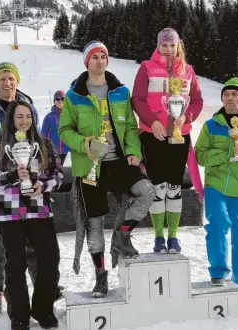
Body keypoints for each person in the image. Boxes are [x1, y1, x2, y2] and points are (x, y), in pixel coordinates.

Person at [58, 40, 155, 298]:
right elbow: (64, 131)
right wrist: (84, 142)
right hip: (90, 166)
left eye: (103, 56)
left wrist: (134, 151)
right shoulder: (74, 96)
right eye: (94, 57)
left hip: (119, 162)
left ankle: (123, 236)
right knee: (95, 224)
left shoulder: (120, 92)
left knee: (146, 191)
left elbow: (132, 129)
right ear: (86, 62)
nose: (100, 61)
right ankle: (101, 276)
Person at [0, 62, 63, 316]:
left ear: (17, 81)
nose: (7, 83)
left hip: (27, 188)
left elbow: (35, 144)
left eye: (11, 78)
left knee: (30, 242)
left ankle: (41, 286)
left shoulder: (27, 107)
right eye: (3, 79)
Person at [0, 100, 62, 330]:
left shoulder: (43, 144)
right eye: (19, 117)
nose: (24, 121)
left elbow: (56, 174)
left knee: (50, 260)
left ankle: (43, 309)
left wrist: (42, 185)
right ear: (11, 120)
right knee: (15, 266)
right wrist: (10, 176)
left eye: (28, 116)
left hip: (38, 211)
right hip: (8, 213)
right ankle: (20, 317)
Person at [194, 77, 238, 305]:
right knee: (217, 225)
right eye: (226, 94)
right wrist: (225, 154)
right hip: (215, 186)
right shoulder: (211, 125)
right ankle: (218, 272)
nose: (230, 98)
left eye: (235, 94)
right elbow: (200, 155)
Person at [132, 27, 204, 254]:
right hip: (154, 135)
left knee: (174, 187)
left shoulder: (188, 70)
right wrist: (152, 122)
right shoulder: (146, 68)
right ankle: (158, 237)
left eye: (173, 45)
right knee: (157, 187)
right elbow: (137, 99)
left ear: (179, 46)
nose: (169, 50)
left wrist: (187, 116)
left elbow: (198, 100)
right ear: (158, 46)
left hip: (178, 136)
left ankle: (173, 236)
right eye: (164, 45)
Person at [41, 90, 69, 164]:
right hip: (54, 152)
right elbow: (43, 135)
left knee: (68, 173)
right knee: (56, 173)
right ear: (54, 101)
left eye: (62, 98)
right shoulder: (49, 117)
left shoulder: (71, 116)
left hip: (69, 153)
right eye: (57, 99)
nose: (60, 100)